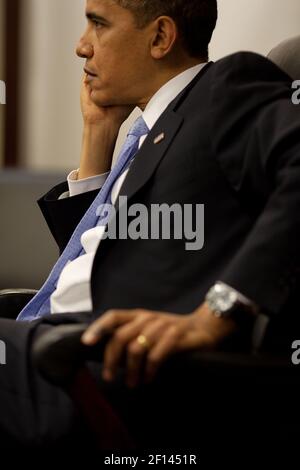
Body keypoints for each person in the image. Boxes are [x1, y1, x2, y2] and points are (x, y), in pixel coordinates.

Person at [0, 0, 300, 451]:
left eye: (98, 25)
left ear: (160, 37)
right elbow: (112, 261)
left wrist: (223, 308)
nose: (82, 46)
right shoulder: (155, 129)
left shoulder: (226, 89)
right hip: (52, 348)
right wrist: (97, 135)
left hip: (106, 372)